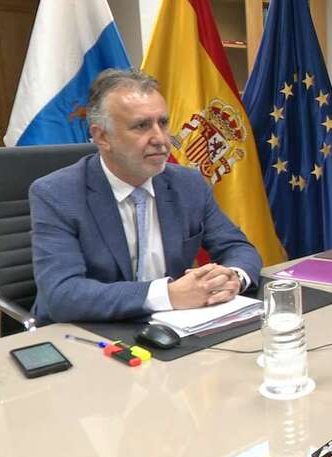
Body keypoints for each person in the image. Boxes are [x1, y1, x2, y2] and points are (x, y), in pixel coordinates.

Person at [29, 69, 263, 324]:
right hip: (87, 333)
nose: (161, 139)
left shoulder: (188, 184)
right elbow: (62, 295)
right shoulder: (55, 194)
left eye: (162, 123)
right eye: (141, 126)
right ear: (102, 136)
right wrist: (168, 295)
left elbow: (238, 247)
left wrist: (233, 278)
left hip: (173, 328)